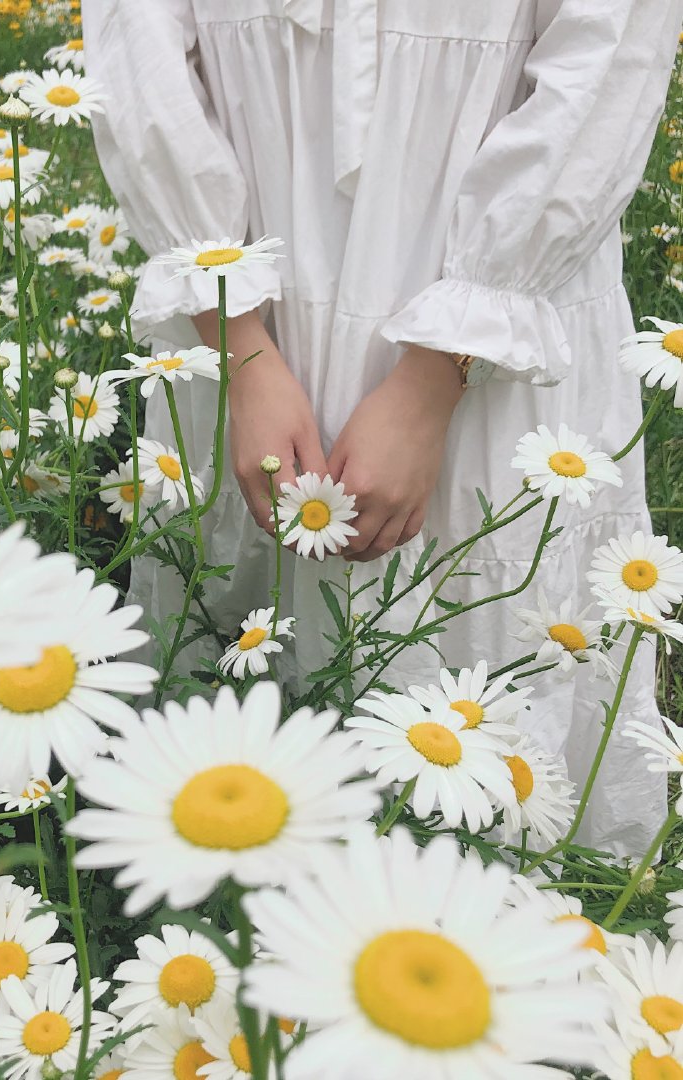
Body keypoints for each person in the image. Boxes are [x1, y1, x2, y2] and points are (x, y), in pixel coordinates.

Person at [81, 0, 683, 856]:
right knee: (238, 740)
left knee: (497, 737)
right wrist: (241, 341)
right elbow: (139, 61)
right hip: (257, 313)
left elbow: (608, 61)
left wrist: (442, 368)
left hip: (499, 337)